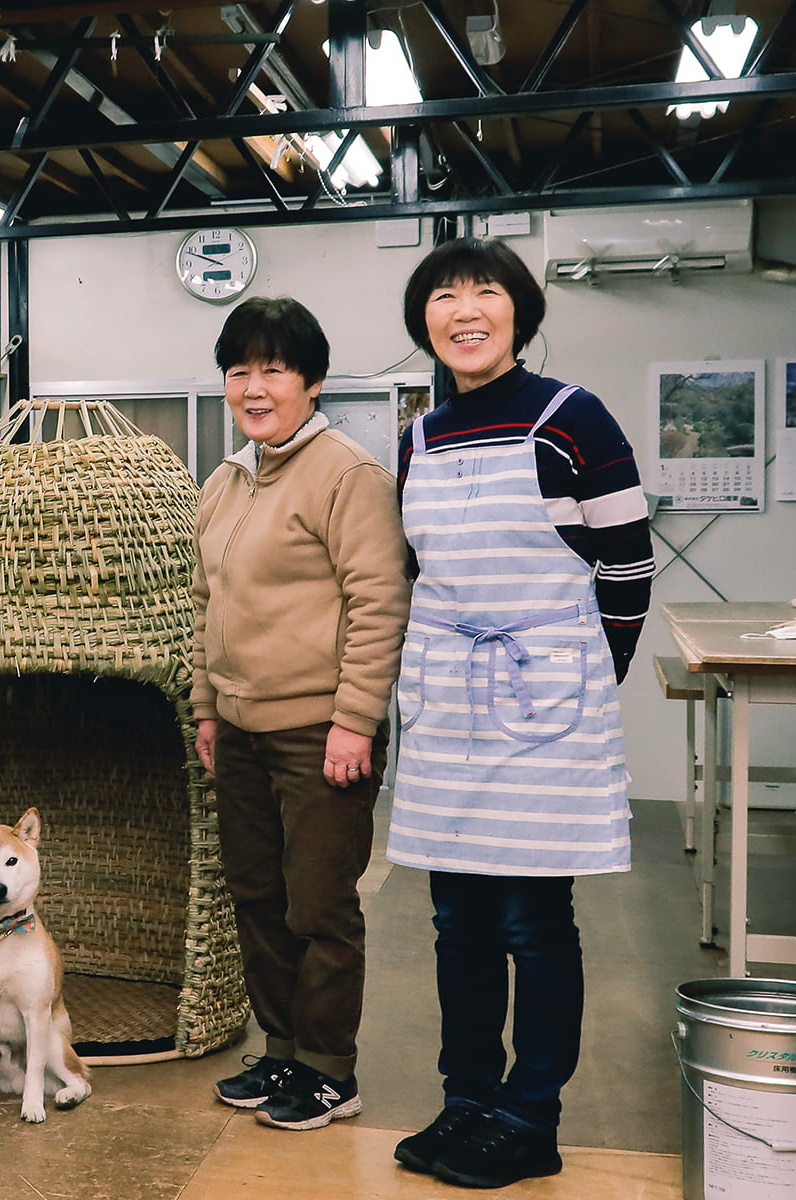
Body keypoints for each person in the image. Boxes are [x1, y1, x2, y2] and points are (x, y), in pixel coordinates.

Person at [387, 237, 653, 1190]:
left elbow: (627, 564)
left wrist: (583, 676)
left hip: (547, 701)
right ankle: (467, 1101)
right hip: (449, 700)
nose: (464, 309)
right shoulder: (418, 434)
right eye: (444, 295)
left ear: (519, 313)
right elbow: (423, 568)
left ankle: (530, 1117)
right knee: (455, 919)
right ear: (425, 320)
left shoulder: (571, 417)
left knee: (534, 921)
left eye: (485, 293)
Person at [189, 297, 409, 1133]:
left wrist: (355, 718)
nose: (254, 385)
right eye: (239, 368)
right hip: (240, 729)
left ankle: (329, 1068)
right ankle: (281, 1047)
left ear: (312, 383)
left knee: (318, 904)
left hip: (320, 731)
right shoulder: (226, 479)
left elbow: (379, 602)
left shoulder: (348, 475)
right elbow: (205, 602)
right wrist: (209, 709)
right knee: (256, 893)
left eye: (274, 368)